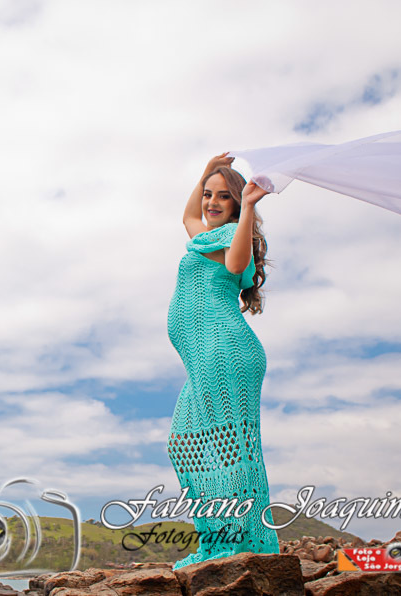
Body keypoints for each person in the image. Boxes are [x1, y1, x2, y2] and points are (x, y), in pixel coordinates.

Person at [166, 152, 280, 569]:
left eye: (222, 196)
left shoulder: (234, 236)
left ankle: (240, 542)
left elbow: (236, 263)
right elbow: (187, 216)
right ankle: (219, 537)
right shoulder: (204, 237)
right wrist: (203, 174)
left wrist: (248, 206)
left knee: (231, 451)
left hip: (225, 352)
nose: (211, 202)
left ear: (235, 203)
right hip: (204, 360)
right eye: (207, 195)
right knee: (182, 444)